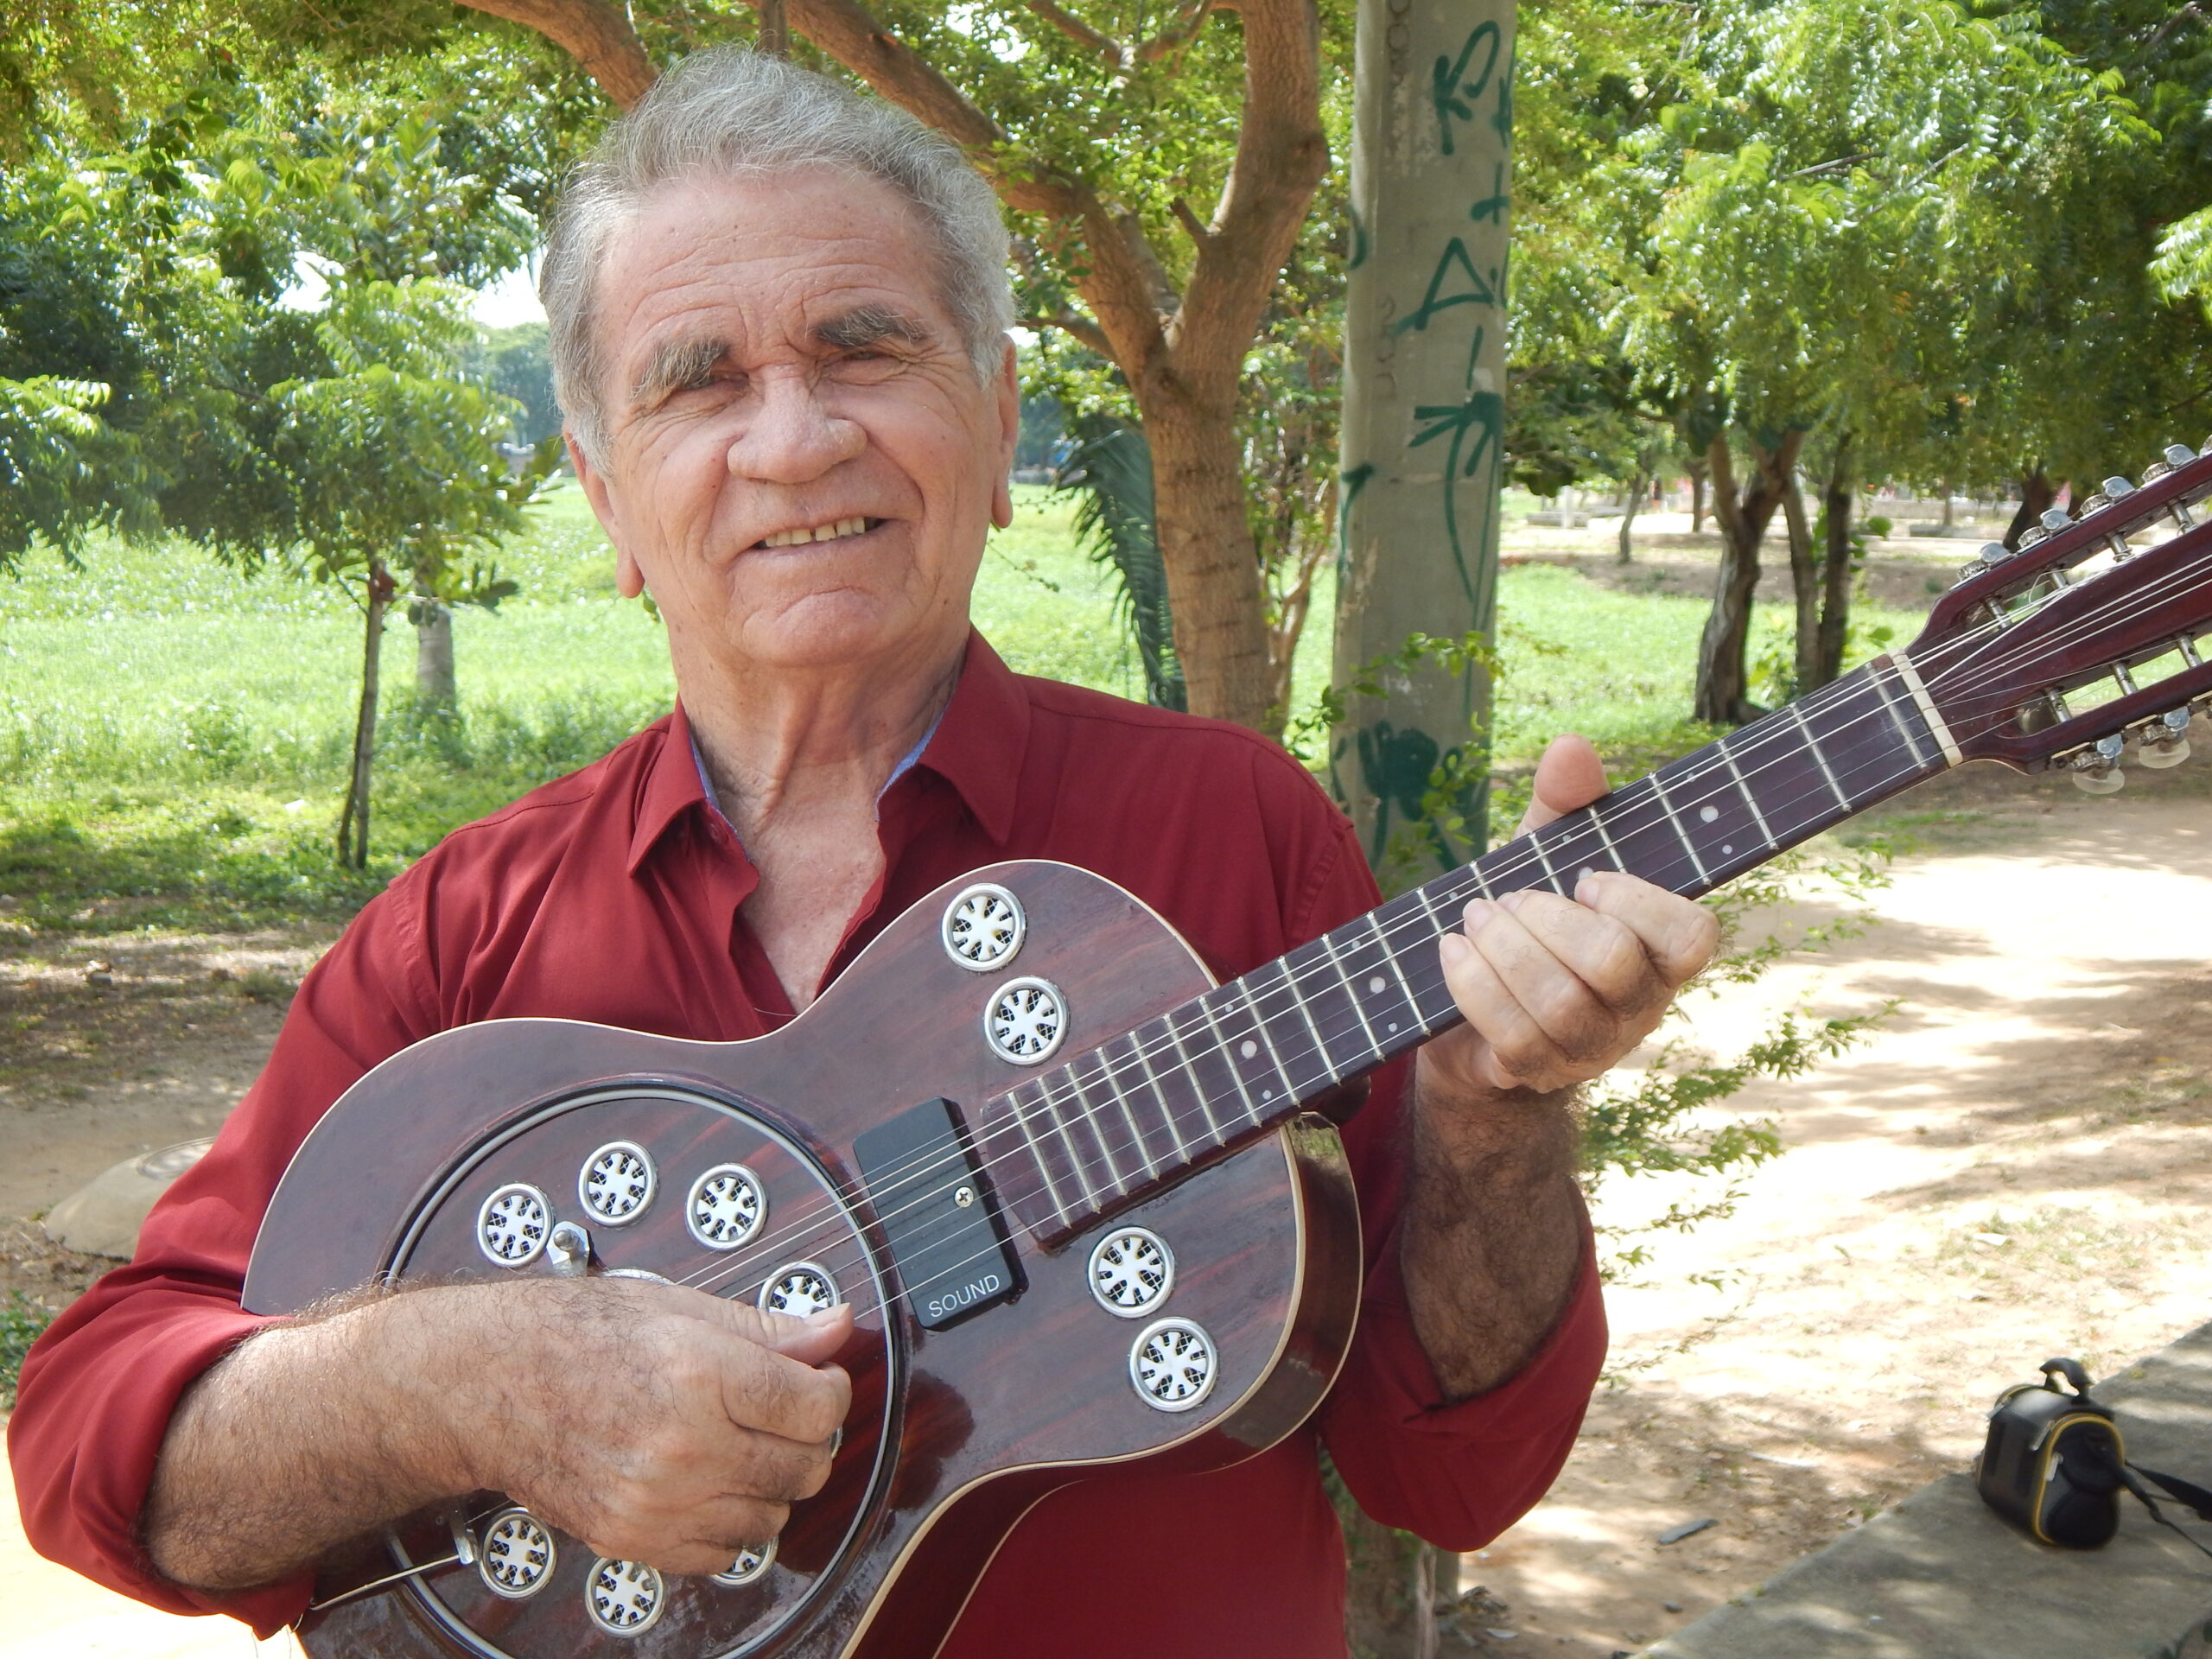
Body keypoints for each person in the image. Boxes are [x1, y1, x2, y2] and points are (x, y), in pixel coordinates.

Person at [9, 51, 1716, 1657]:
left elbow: (1456, 1479)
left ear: (992, 419)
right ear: (606, 499)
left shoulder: (1227, 831)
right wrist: (468, 1380)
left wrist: (1492, 1122)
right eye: (697, 381)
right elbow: (91, 1443)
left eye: (859, 349)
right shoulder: (467, 937)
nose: (792, 438)